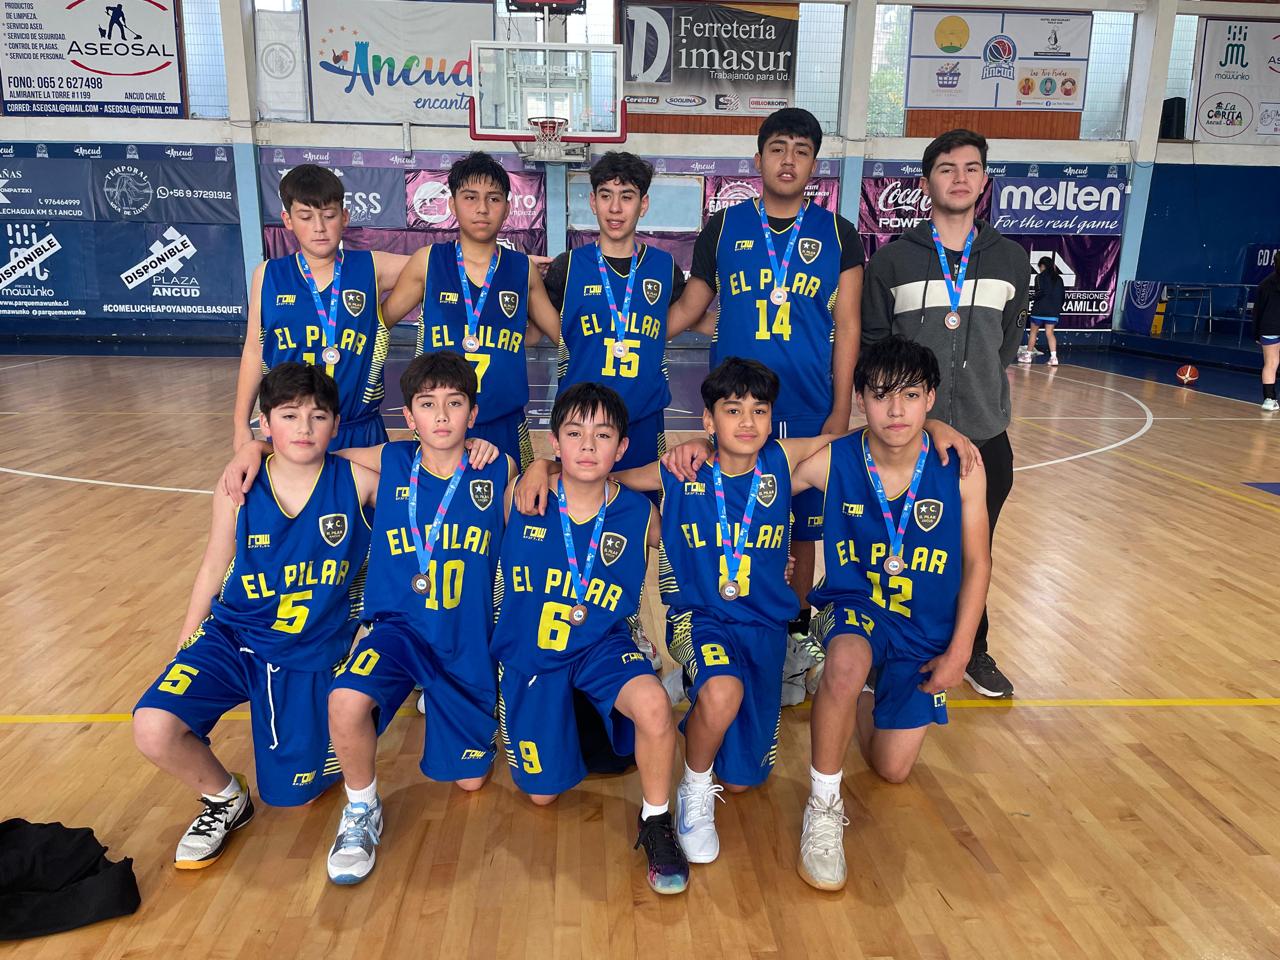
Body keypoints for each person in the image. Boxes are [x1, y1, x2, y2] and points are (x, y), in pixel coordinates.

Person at [133, 364, 376, 869]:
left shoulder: (357, 482)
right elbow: (212, 566)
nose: (304, 428)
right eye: (288, 416)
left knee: (294, 798)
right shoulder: (238, 487)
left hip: (307, 649)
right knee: (153, 726)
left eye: (318, 417)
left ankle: (326, 733)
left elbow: (425, 458)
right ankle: (225, 798)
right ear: (265, 423)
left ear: (336, 424)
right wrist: (186, 639)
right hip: (232, 636)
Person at [790, 336, 991, 891]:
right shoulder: (836, 458)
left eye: (910, 395)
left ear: (931, 399)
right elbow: (761, 470)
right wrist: (702, 449)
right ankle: (823, 806)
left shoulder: (961, 468)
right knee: (845, 663)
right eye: (880, 395)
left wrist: (961, 651)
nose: (895, 410)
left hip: (924, 628)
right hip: (857, 608)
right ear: (860, 399)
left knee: (891, 769)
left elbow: (978, 563)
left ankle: (862, 692)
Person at [667, 108, 866, 654]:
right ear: (758, 159)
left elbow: (848, 324)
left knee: (801, 530)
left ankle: (794, 638)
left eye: (802, 151)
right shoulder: (724, 227)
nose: (788, 160)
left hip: (807, 405)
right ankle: (724, 627)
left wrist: (840, 411)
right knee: (733, 523)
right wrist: (629, 328)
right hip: (738, 409)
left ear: (814, 164)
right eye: (778, 148)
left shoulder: (839, 234)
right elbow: (692, 305)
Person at [323, 352, 515, 884]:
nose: (442, 416)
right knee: (345, 699)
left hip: (466, 639)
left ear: (473, 413)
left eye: (455, 404)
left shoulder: (497, 468)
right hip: (400, 630)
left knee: (471, 781)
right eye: (427, 405)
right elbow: (317, 450)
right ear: (408, 416)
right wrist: (255, 446)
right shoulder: (389, 460)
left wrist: (536, 464)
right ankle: (361, 807)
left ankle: (449, 702)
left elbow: (542, 492)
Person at [494, 383, 689, 895]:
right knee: (542, 796)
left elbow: (699, 550)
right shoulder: (520, 497)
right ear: (554, 441)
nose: (587, 445)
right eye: (574, 433)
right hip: (534, 655)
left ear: (621, 448)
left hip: (602, 647)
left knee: (653, 706)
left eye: (602, 435)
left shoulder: (639, 513)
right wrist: (536, 467)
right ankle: (560, 727)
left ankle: (656, 820)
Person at [861, 128, 1027, 699]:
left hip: (985, 436)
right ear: (926, 181)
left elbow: (1005, 346)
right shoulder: (893, 261)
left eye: (971, 168)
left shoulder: (1010, 260)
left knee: (976, 551)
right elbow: (875, 349)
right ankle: (888, 649)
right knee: (897, 547)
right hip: (906, 440)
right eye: (947, 168)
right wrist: (920, 416)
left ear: (984, 181)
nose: (960, 177)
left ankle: (972, 649)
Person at [381, 152, 560, 470]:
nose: (482, 208)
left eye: (493, 198)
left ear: (507, 208)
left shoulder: (522, 269)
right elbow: (378, 323)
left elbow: (561, 334)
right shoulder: (428, 261)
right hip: (440, 428)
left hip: (505, 425)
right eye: (470, 197)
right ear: (452, 204)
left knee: (509, 500)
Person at [233, 164, 410, 452]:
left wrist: (386, 315)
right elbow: (254, 350)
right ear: (288, 220)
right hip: (294, 434)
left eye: (329, 216)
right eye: (306, 217)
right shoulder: (268, 275)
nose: (319, 227)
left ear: (344, 217)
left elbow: (434, 268)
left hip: (359, 430)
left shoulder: (372, 266)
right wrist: (240, 423)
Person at [542, 151, 686, 474]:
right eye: (606, 195)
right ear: (593, 202)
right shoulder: (568, 267)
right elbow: (532, 328)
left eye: (627, 196)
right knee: (578, 504)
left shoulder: (665, 268)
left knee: (645, 504)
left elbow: (692, 316)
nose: (616, 208)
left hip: (644, 421)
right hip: (581, 424)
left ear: (643, 204)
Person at [1020, 257, 1064, 366]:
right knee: (1050, 333)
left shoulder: (1039, 277)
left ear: (1042, 266)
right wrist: (1057, 308)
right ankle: (1054, 358)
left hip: (1039, 310)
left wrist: (1028, 298)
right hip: (1053, 311)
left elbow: (1039, 293)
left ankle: (1028, 356)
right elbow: (1062, 296)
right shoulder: (1059, 279)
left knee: (1033, 332)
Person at [1253, 259, 1280, 412]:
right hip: (1270, 327)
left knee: (1270, 363)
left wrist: (1257, 333)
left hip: (1269, 327)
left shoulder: (1264, 284)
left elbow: (1257, 311)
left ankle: (1269, 399)